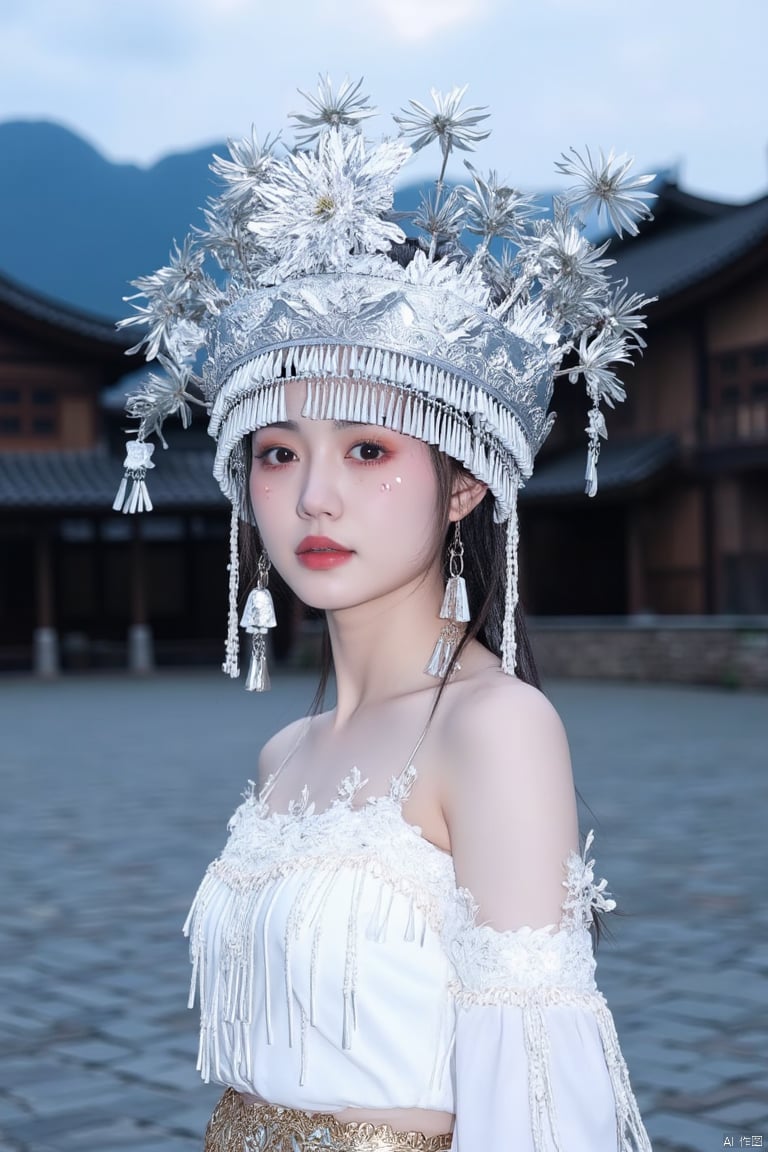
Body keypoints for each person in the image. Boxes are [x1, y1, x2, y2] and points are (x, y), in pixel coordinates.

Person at [115, 78, 654, 1151]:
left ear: (462, 486)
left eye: (369, 449)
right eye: (280, 453)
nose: (315, 497)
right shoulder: (284, 753)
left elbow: (533, 1096)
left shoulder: (494, 729)